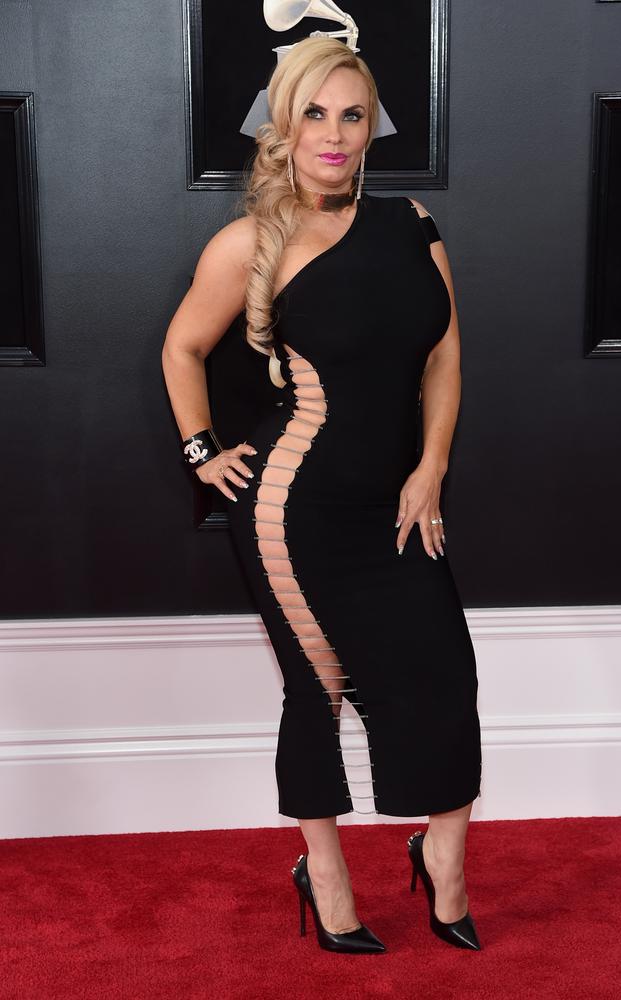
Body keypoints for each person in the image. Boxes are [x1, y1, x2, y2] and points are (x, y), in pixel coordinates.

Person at [161, 36, 482, 955]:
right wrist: (201, 452)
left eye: (351, 115)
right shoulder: (250, 244)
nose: (334, 136)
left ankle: (443, 863)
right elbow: (181, 347)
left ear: (370, 125)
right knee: (319, 688)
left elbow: (444, 356)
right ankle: (326, 874)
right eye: (314, 115)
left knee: (446, 677)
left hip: (395, 498)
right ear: (284, 128)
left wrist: (431, 469)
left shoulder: (416, 225)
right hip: (289, 510)